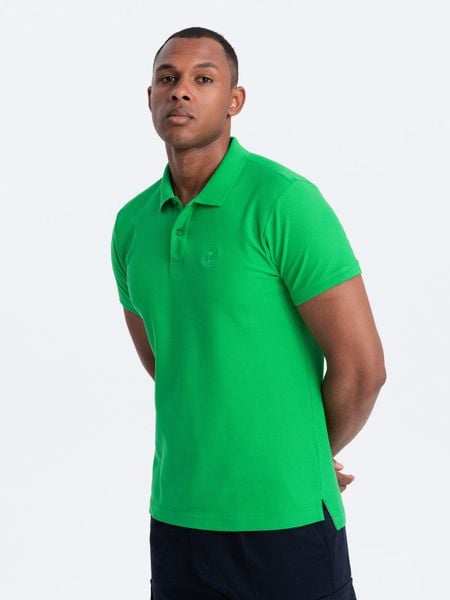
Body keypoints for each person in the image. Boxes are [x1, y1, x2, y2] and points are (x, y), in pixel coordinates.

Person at [110, 26, 386, 600]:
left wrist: (307, 456)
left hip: (287, 523)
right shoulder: (132, 225)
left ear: (234, 100)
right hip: (178, 520)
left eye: (203, 79)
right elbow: (171, 362)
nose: (181, 90)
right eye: (168, 78)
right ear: (149, 97)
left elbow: (363, 370)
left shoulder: (284, 202)